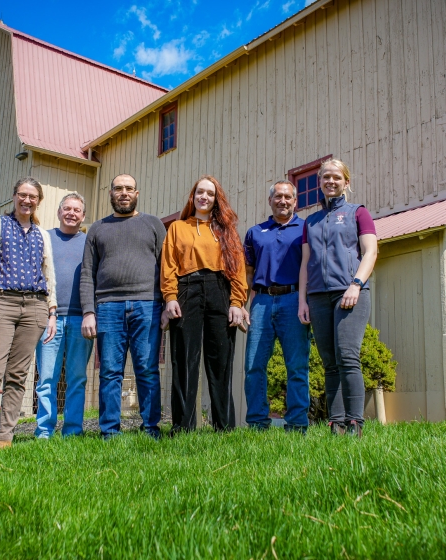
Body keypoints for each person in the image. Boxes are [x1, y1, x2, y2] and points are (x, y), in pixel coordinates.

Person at [0, 177, 57, 457]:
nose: (27, 200)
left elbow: (49, 274)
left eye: (33, 196)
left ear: (38, 201)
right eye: (23, 194)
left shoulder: (42, 235)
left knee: (18, 375)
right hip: (0, 303)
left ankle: (5, 436)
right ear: (14, 196)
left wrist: (51, 311)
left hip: (35, 307)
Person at [80, 174, 165, 439]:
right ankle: (109, 432)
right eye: (119, 189)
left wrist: (167, 304)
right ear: (111, 194)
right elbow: (86, 273)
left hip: (148, 305)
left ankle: (151, 428)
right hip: (108, 307)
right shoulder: (97, 229)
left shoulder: (153, 224)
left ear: (137, 193)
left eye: (129, 188)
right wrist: (88, 311)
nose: (124, 193)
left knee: (147, 369)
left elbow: (166, 268)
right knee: (109, 372)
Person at [298, 159, 378, 437]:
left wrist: (356, 284)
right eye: (325, 178)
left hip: (350, 294)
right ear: (320, 182)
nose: (330, 181)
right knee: (329, 362)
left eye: (336, 177)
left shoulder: (358, 213)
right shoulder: (311, 221)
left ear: (346, 182)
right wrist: (302, 300)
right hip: (318, 297)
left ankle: (355, 423)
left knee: (347, 357)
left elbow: (370, 252)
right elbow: (305, 262)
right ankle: (336, 424)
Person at [161, 175, 247, 432]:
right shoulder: (178, 227)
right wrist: (170, 297)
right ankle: (183, 428)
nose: (204, 197)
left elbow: (238, 269)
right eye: (200, 192)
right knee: (184, 360)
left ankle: (225, 428)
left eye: (210, 193)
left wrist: (237, 302)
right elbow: (168, 266)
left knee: (220, 361)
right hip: (186, 289)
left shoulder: (227, 230)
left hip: (220, 290)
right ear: (193, 195)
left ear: (216, 199)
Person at [243, 180, 311, 433]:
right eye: (278, 196)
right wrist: (245, 303)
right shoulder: (255, 232)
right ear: (269, 200)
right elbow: (248, 272)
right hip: (260, 301)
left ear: (295, 201)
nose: (283, 201)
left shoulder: (306, 229)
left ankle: (297, 424)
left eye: (288, 197)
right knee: (253, 365)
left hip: (294, 299)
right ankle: (258, 423)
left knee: (296, 365)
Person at [33, 192, 93, 438]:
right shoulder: (44, 239)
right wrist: (47, 311)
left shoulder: (89, 243)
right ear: (59, 212)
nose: (71, 213)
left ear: (83, 216)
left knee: (77, 379)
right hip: (51, 318)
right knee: (47, 378)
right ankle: (44, 431)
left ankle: (72, 432)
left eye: (77, 210)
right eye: (67, 208)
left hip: (81, 319)